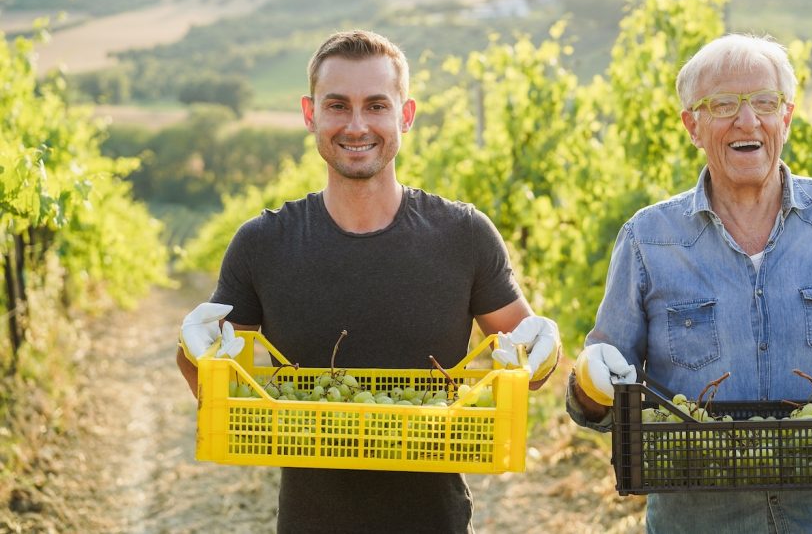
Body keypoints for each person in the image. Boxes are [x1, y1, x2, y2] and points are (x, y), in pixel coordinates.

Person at [176, 29, 560, 534]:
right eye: (337, 105)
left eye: (376, 105)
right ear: (310, 114)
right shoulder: (263, 244)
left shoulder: (463, 235)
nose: (356, 125)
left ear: (406, 115)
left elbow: (528, 365)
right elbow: (212, 388)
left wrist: (544, 349)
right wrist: (190, 350)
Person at [566, 33, 812, 533]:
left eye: (765, 103)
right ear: (693, 125)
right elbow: (595, 400)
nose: (747, 121)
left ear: (785, 118)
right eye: (724, 104)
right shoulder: (648, 240)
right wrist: (592, 377)